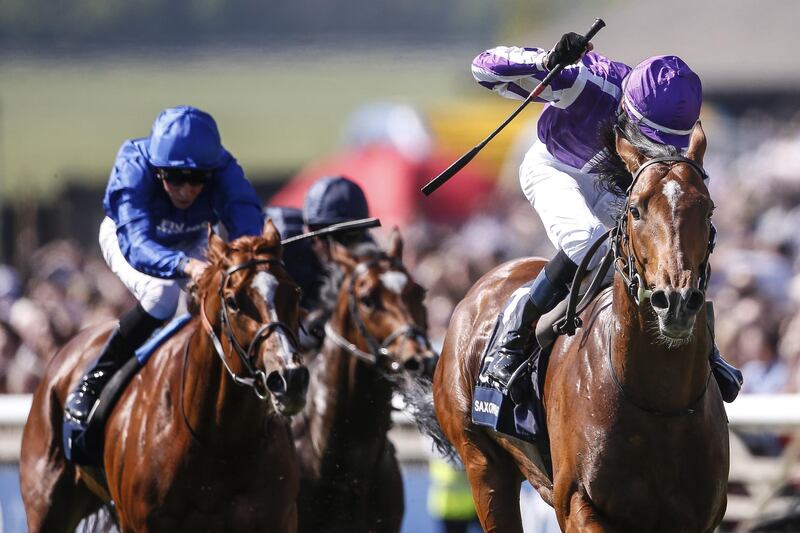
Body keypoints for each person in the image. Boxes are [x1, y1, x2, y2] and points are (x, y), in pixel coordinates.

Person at [472, 33, 743, 402]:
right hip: (559, 167)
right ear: (629, 110)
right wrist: (548, 61)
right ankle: (515, 336)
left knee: (674, 233)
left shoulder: (675, 123)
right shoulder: (589, 81)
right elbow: (483, 68)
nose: (659, 151)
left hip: (617, 184)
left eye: (668, 145)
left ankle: (706, 348)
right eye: (649, 139)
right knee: (587, 242)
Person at [64, 105, 265, 428]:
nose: (186, 190)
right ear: (158, 170)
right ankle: (93, 382)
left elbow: (247, 224)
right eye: (174, 178)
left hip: (192, 238)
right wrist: (185, 266)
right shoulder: (133, 165)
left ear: (211, 171)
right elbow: (137, 243)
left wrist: (246, 258)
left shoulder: (224, 168)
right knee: (163, 294)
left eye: (197, 179)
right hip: (129, 238)